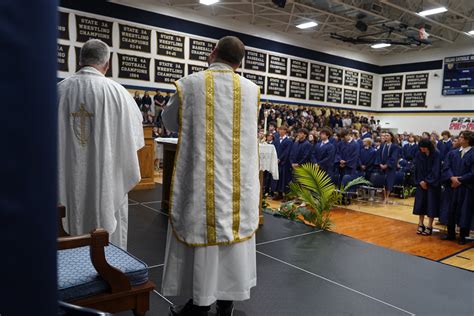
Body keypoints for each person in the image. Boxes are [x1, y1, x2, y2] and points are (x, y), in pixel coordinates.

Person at [161, 36, 260, 316]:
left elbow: (169, 121)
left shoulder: (190, 84)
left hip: (202, 182)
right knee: (234, 238)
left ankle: (200, 302)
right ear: (240, 62)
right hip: (238, 186)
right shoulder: (252, 90)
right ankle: (227, 303)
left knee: (203, 238)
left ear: (212, 53)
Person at [57, 39, 144, 250]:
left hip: (64, 182)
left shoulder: (58, 91)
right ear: (108, 63)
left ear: (80, 60)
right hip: (107, 182)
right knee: (107, 236)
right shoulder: (120, 94)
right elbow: (135, 143)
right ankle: (108, 269)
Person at [440, 131, 474, 245]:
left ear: (467, 140)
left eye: (461, 137)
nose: (458, 139)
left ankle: (463, 236)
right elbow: (446, 167)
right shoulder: (453, 153)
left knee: (464, 211)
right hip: (452, 187)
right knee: (451, 209)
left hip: (466, 188)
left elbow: (473, 172)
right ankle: (450, 233)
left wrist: (460, 180)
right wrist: (452, 178)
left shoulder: (473, 153)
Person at [412, 139, 442, 236]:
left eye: (424, 148)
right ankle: (420, 223)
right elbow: (416, 168)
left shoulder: (436, 154)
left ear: (428, 147)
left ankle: (430, 225)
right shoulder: (418, 153)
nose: (422, 150)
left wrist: (427, 181)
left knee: (431, 205)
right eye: (421, 148)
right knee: (421, 204)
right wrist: (420, 181)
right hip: (421, 183)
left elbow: (436, 170)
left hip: (432, 184)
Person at [375, 132, 400, 203]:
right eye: (385, 135)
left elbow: (394, 157)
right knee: (383, 182)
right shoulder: (382, 145)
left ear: (391, 137)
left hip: (390, 167)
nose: (386, 137)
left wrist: (387, 165)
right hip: (382, 166)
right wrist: (380, 164)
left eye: (387, 135)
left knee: (389, 182)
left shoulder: (394, 146)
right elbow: (378, 155)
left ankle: (387, 197)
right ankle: (383, 196)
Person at [273, 125, 293, 200]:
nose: (280, 131)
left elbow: (286, 152)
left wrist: (280, 159)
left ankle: (286, 195)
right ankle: (279, 193)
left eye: (282, 130)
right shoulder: (277, 140)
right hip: (276, 161)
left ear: (285, 131)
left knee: (284, 179)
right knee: (278, 178)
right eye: (279, 129)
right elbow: (274, 149)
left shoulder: (288, 141)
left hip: (284, 162)